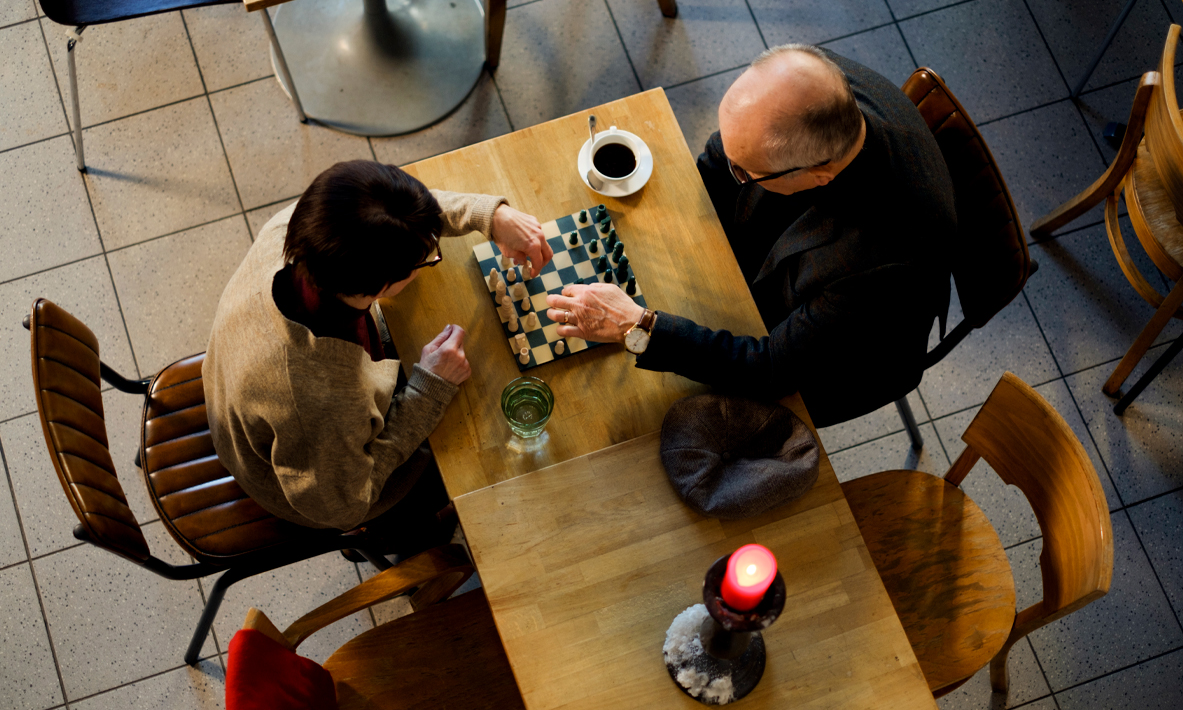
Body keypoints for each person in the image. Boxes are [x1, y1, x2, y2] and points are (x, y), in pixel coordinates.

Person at [546, 45, 956, 426]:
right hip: (781, 273)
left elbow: (771, 370)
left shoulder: (887, 261)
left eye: (744, 170)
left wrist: (639, 327)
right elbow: (717, 162)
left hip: (839, 362)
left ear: (817, 176)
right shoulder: (809, 76)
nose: (730, 168)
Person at [204, 160, 552, 549]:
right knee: (469, 455)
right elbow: (345, 506)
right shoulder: (323, 397)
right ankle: (408, 539)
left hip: (249, 399)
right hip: (304, 482)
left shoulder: (303, 230)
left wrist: (488, 216)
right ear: (386, 283)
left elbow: (391, 212)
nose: (430, 257)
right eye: (425, 259)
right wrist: (427, 390)